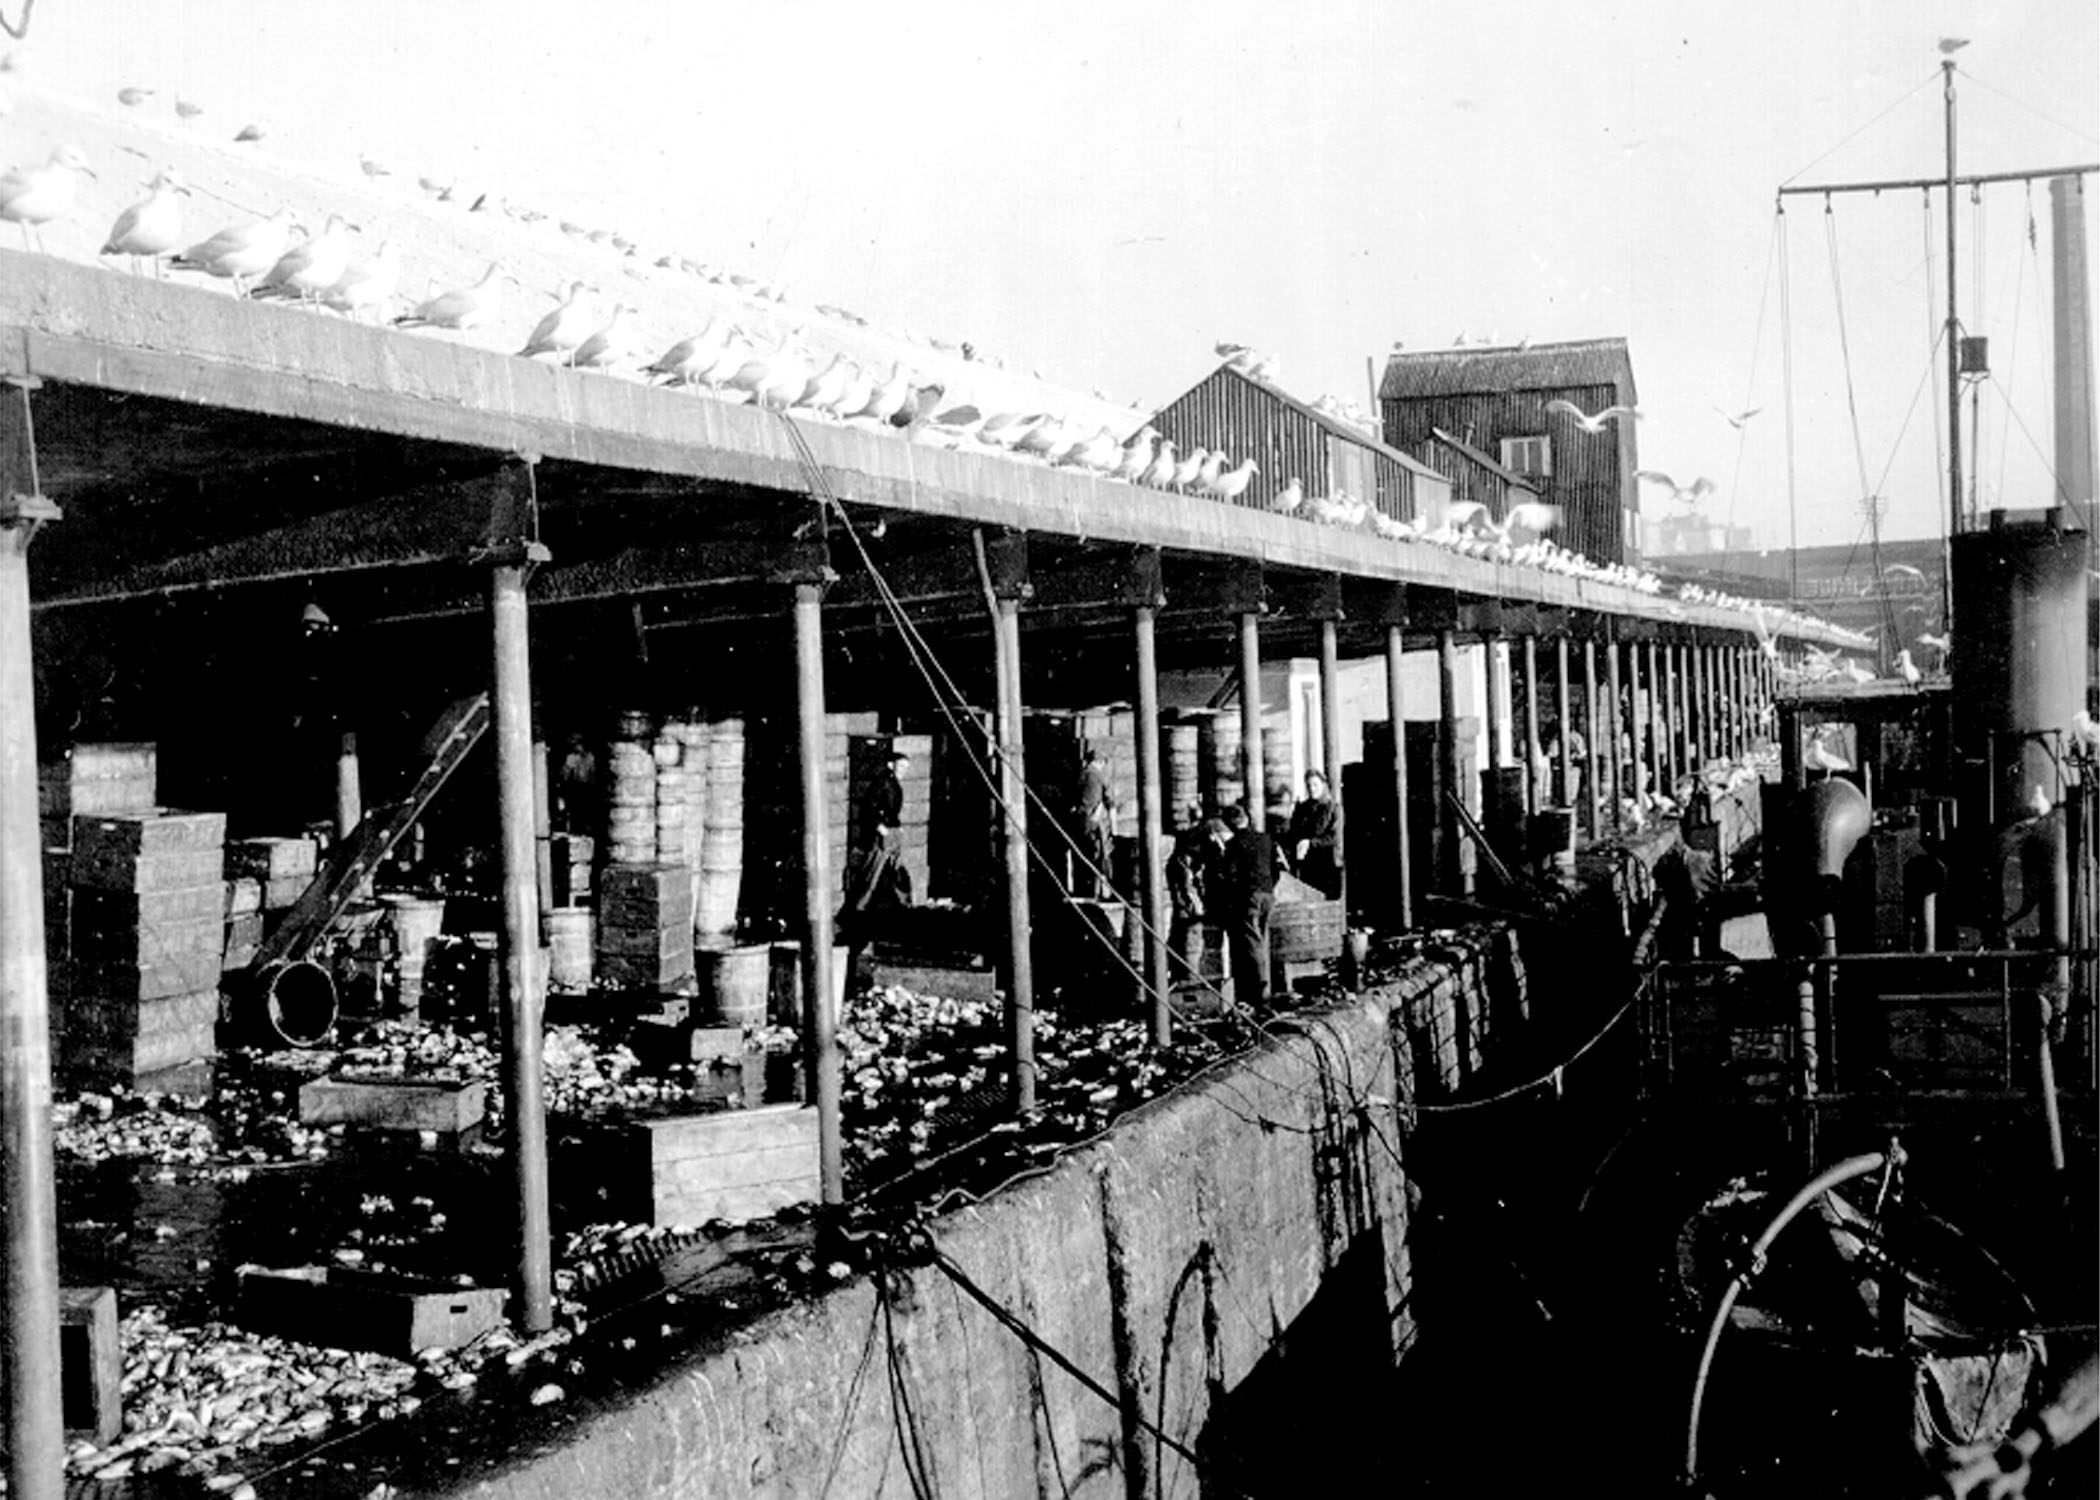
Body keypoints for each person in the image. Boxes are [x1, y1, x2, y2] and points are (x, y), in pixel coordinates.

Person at [840, 747, 913, 991]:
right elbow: (869, 809)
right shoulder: (881, 783)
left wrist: (896, 828)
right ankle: (858, 907)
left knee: (896, 869)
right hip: (881, 834)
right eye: (901, 767)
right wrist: (880, 827)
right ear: (892, 766)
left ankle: (902, 903)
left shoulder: (893, 784)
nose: (904, 771)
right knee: (873, 872)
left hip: (892, 832)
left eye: (906, 768)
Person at [1215, 803, 1282, 1009]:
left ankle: (1261, 998)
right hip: (1268, 895)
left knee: (1253, 946)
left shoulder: (1234, 845)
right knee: (1262, 942)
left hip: (1249, 899)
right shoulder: (1266, 839)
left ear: (1229, 824)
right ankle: (1265, 992)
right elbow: (1278, 869)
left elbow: (1231, 878)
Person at [1166, 812, 1229, 983]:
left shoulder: (1195, 856)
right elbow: (1187, 889)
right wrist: (1199, 907)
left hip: (1193, 904)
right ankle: (1189, 980)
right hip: (1189, 909)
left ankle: (1188, 977)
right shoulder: (1185, 858)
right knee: (1190, 937)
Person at [1286, 770, 1340, 898]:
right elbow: (1293, 833)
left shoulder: (1333, 808)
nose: (1312, 789)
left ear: (1323, 785)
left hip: (1325, 863)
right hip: (1304, 864)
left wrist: (1311, 843)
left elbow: (1335, 837)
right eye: (1309, 785)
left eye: (1315, 785)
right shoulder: (1302, 809)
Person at [1074, 746, 1114, 897]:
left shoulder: (1080, 774)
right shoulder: (1099, 776)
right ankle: (1098, 892)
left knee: (1080, 854)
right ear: (1101, 762)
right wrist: (1114, 829)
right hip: (1094, 820)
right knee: (1098, 855)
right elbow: (1110, 802)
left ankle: (1083, 890)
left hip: (1079, 819)